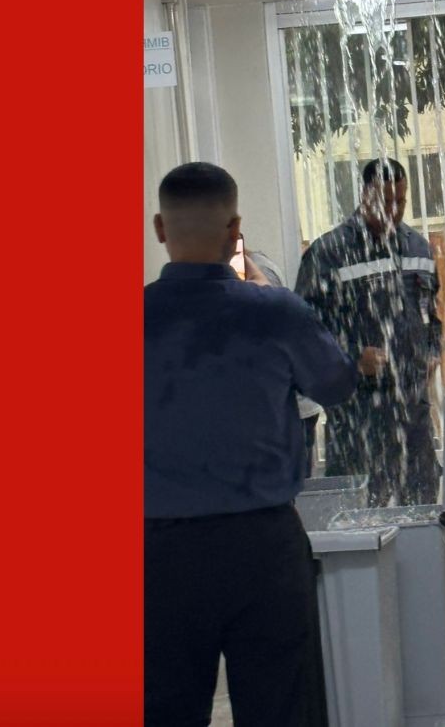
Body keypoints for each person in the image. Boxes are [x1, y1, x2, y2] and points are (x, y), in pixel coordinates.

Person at [144, 162, 357, 727]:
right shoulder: (274, 313)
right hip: (261, 546)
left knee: (162, 708)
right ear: (236, 228)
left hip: (157, 556)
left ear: (160, 229)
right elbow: (336, 385)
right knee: (281, 707)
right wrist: (268, 293)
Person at [295, 157, 444, 508]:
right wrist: (351, 358)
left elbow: (430, 315)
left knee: (422, 509)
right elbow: (305, 334)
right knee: (360, 515)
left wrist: (432, 350)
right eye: (385, 200)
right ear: (364, 196)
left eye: (401, 202)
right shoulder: (328, 254)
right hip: (358, 417)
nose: (394, 211)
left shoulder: (418, 248)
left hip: (412, 413)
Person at [246, 248, 326, 478]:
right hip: (287, 403)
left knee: (292, 485)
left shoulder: (259, 270)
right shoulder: (249, 267)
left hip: (293, 408)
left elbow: (268, 330)